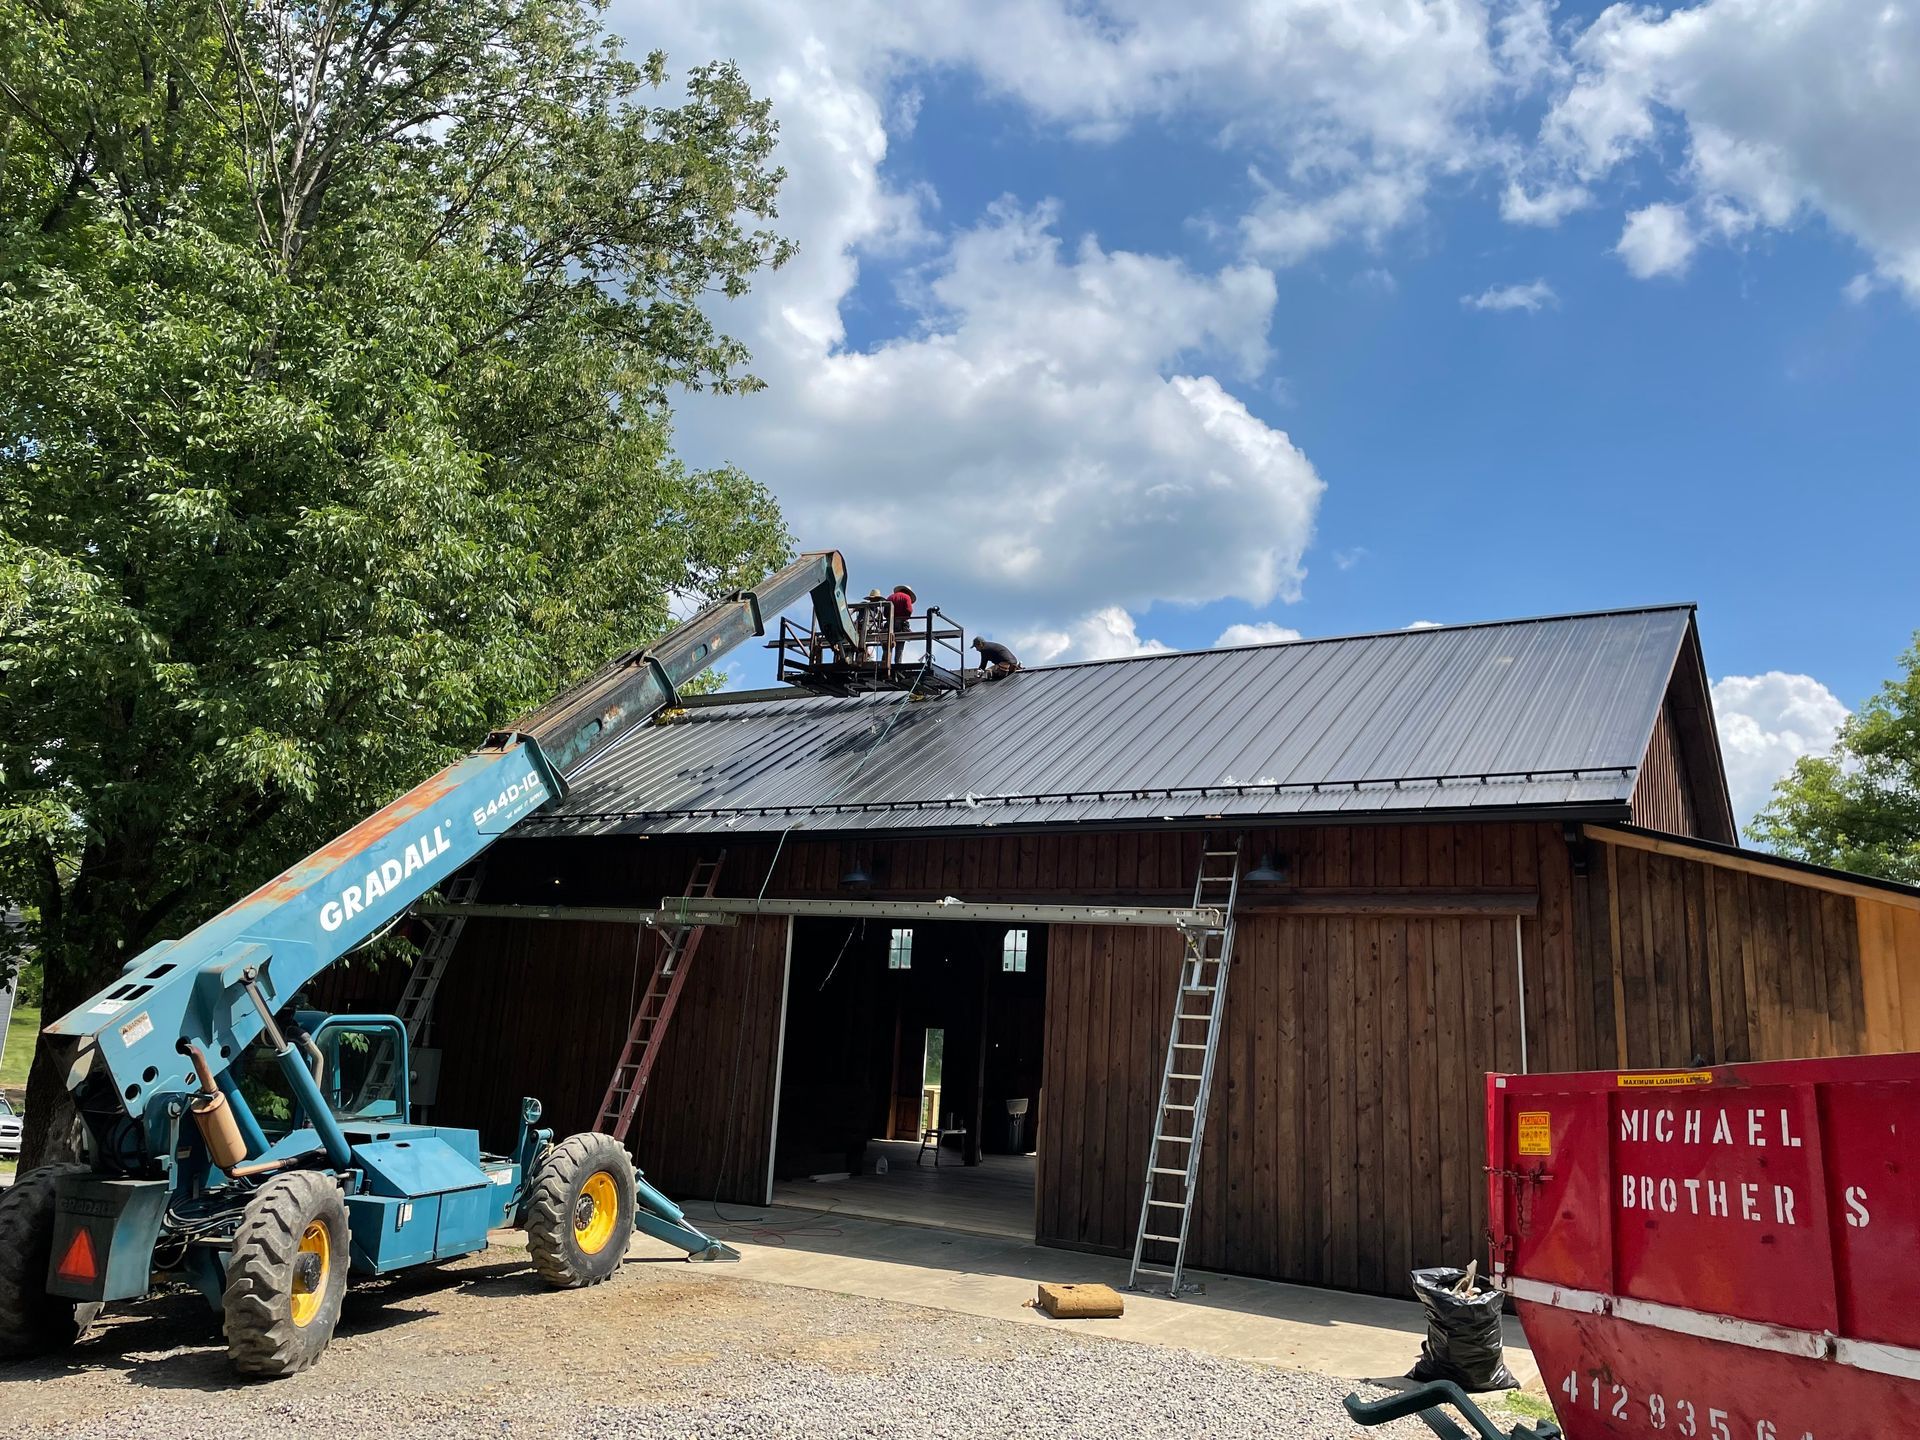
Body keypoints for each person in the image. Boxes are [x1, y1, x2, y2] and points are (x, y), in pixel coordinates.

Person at [887, 583, 916, 665]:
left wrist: (889, 618)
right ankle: (897, 664)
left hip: (890, 623)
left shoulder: (890, 597)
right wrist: (906, 617)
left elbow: (885, 611)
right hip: (901, 624)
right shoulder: (907, 597)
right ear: (908, 592)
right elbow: (909, 610)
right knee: (899, 646)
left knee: (888, 644)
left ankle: (886, 662)